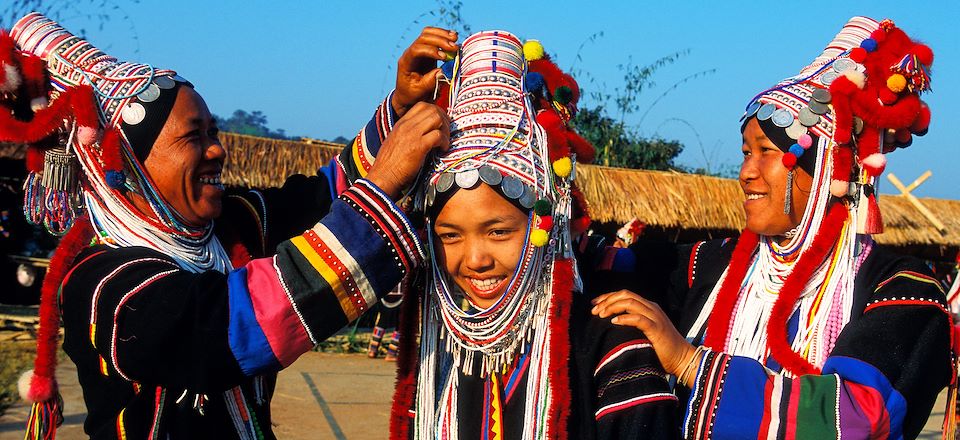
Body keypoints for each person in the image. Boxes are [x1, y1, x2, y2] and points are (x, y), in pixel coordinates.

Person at [2, 14, 456, 439]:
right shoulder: (100, 281)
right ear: (131, 165)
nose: (217, 150)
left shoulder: (230, 226)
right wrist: (384, 183)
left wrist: (401, 105)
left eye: (213, 132)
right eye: (193, 135)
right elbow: (228, 331)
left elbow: (322, 198)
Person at [590, 17, 953, 439]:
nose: (746, 172)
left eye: (765, 152)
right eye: (746, 152)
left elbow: (857, 416)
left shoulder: (902, 288)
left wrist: (690, 363)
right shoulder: (714, 263)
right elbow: (605, 266)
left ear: (823, 171)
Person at [384, 31, 677, 439]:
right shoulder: (437, 348)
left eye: (499, 231)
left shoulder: (613, 349)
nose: (475, 259)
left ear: (546, 223)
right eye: (450, 235)